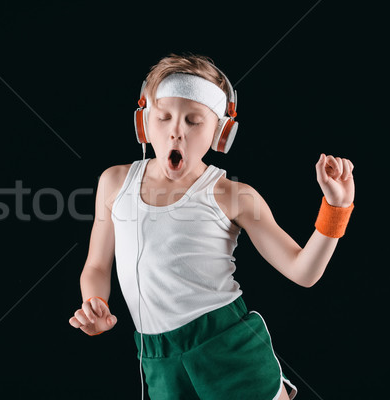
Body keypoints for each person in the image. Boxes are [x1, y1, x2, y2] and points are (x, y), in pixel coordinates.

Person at [68, 53, 355, 400]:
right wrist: (94, 303)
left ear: (221, 133)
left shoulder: (234, 196)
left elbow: (303, 270)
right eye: (164, 117)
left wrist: (336, 207)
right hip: (158, 357)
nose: (176, 131)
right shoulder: (114, 182)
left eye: (193, 121)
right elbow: (96, 265)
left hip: (225, 346)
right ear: (144, 124)